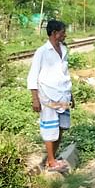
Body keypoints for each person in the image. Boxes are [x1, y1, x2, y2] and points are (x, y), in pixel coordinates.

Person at [27, 20, 72, 173]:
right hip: (47, 96)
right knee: (50, 128)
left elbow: (65, 74)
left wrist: (70, 94)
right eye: (62, 32)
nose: (64, 35)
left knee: (62, 127)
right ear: (54, 33)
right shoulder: (42, 52)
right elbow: (33, 75)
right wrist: (35, 98)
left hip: (63, 94)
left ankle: (50, 158)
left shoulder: (64, 50)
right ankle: (51, 162)